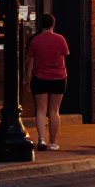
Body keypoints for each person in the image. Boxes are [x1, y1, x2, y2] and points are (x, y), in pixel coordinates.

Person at [25, 13, 69, 151]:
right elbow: (65, 55)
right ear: (53, 24)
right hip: (58, 77)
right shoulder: (60, 39)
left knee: (40, 109)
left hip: (40, 78)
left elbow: (30, 62)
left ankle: (42, 140)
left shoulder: (35, 41)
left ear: (40, 25)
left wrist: (28, 79)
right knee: (54, 110)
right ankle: (54, 142)